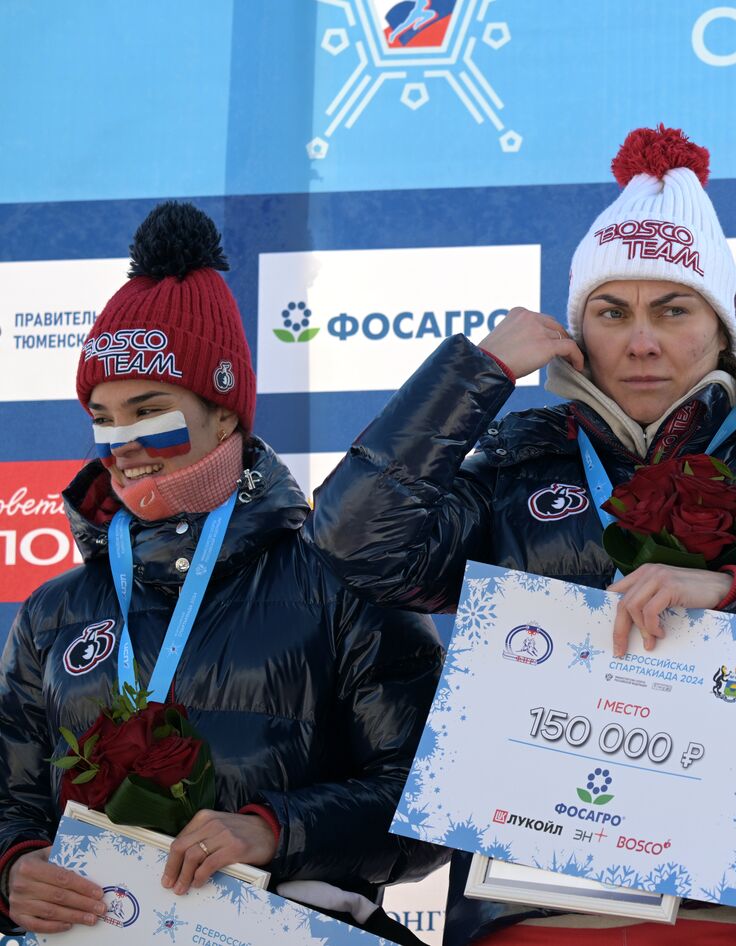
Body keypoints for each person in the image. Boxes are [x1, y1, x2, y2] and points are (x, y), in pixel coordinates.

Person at [311, 125, 736, 946]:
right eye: (612, 311)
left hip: (730, 916)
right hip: (522, 913)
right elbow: (357, 542)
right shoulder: (514, 466)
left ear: (721, 326)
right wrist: (475, 374)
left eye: (672, 310)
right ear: (577, 329)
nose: (640, 340)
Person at [0, 202, 448, 942]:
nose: (124, 444)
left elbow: (431, 803)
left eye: (150, 410)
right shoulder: (55, 612)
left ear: (226, 415)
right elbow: (11, 800)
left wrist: (275, 829)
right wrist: (14, 867)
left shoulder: (342, 579)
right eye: (103, 417)